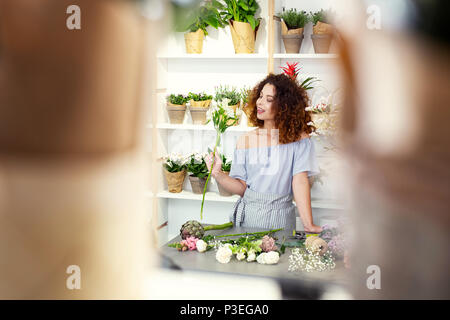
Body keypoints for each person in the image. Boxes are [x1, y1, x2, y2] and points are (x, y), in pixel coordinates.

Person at [206, 74, 322, 233]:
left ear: (284, 105)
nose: (260, 102)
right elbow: (241, 188)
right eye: (260, 96)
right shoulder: (246, 140)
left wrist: (308, 224)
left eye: (269, 99)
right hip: (250, 218)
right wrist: (218, 174)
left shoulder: (300, 140)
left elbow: (300, 181)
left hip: (282, 217)